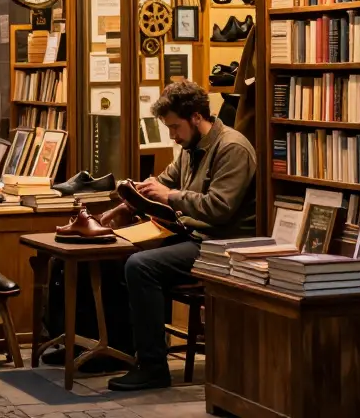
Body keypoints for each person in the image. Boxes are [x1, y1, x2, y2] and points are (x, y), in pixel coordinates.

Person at [101, 79, 256, 391]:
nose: (172, 136)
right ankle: (116, 353)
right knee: (115, 254)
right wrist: (128, 206)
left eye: (174, 127)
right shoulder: (190, 148)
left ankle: (154, 367)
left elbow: (220, 208)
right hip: (192, 236)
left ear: (196, 117)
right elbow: (161, 183)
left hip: (221, 245)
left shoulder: (233, 148)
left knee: (140, 266)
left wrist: (170, 196)